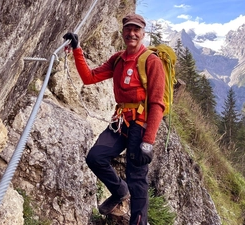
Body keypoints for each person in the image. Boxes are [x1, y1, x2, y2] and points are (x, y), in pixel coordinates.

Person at [63, 13, 165, 225]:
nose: (132, 33)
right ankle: (120, 191)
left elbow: (157, 104)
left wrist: (148, 140)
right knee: (95, 157)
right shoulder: (118, 59)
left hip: (140, 125)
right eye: (128, 29)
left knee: (137, 178)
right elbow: (89, 78)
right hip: (120, 122)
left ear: (143, 34)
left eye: (136, 30)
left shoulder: (151, 62)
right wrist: (77, 50)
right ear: (123, 33)